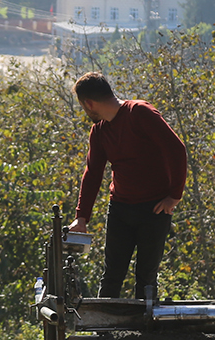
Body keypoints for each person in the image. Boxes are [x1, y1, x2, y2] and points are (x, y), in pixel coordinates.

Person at [68, 72, 188, 300]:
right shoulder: (100, 131)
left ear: (89, 103)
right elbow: (93, 173)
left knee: (146, 277)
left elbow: (176, 149)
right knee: (112, 275)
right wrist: (81, 217)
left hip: (155, 209)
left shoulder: (139, 113)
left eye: (83, 107)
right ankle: (104, 330)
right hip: (120, 209)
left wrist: (174, 196)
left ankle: (144, 332)